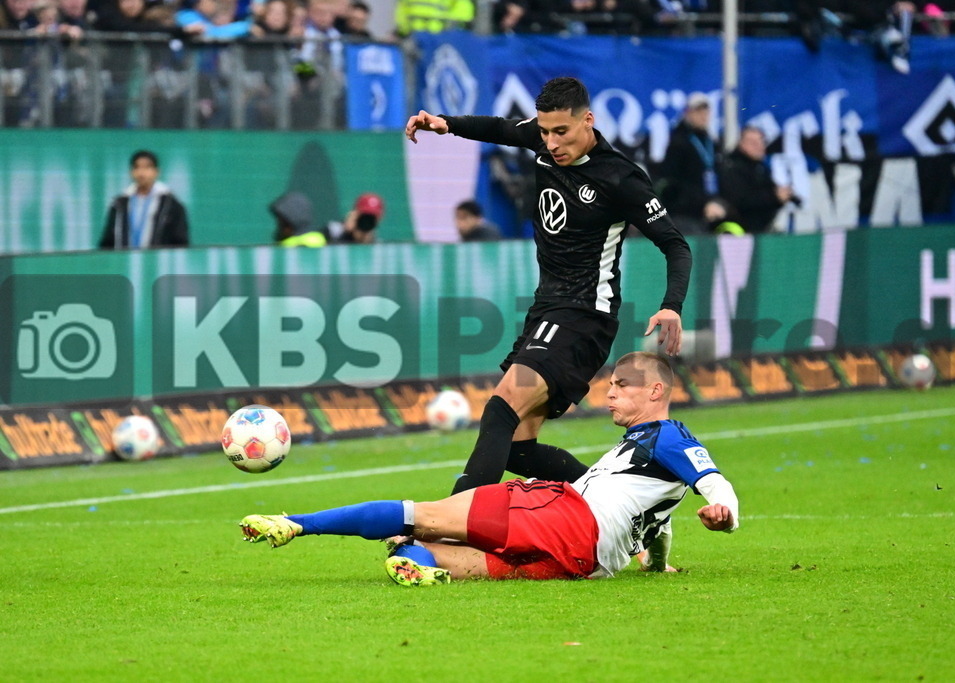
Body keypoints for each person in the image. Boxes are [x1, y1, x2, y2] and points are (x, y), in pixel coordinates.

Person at [405, 77, 692, 496]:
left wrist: (672, 305)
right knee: (517, 449)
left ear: (588, 120)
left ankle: (450, 527)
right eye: (544, 132)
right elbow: (502, 128)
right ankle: (621, 510)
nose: (552, 142)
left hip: (583, 315)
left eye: (562, 131)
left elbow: (675, 245)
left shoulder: (621, 178)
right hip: (548, 308)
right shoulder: (544, 141)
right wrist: (446, 123)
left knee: (501, 409)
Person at [239, 352, 740, 586]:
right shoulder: (646, 452)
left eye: (622, 386)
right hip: (585, 563)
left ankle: (295, 524)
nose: (609, 393)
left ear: (656, 392)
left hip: (562, 514)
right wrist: (656, 563)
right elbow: (658, 514)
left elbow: (712, 481)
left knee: (423, 513)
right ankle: (420, 562)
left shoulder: (669, 434)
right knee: (463, 560)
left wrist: (725, 510)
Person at [652, 92, 726, 235]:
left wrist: (717, 202)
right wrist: (703, 204)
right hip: (685, 213)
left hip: (711, 209)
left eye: (705, 112)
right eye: (698, 112)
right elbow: (674, 183)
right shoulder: (679, 143)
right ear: (688, 114)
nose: (703, 116)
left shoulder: (712, 143)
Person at [99, 150, 189, 249]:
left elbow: (180, 242)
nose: (141, 173)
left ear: (156, 172)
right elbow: (108, 242)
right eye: (137, 167)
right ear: (131, 172)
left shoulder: (171, 205)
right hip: (124, 262)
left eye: (147, 167)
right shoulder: (119, 204)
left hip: (157, 262)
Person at [716, 125, 795, 235]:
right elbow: (741, 200)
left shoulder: (760, 168)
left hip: (760, 231)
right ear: (741, 144)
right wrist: (774, 197)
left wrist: (781, 197)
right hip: (737, 232)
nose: (759, 146)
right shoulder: (732, 167)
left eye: (761, 142)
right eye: (753, 143)